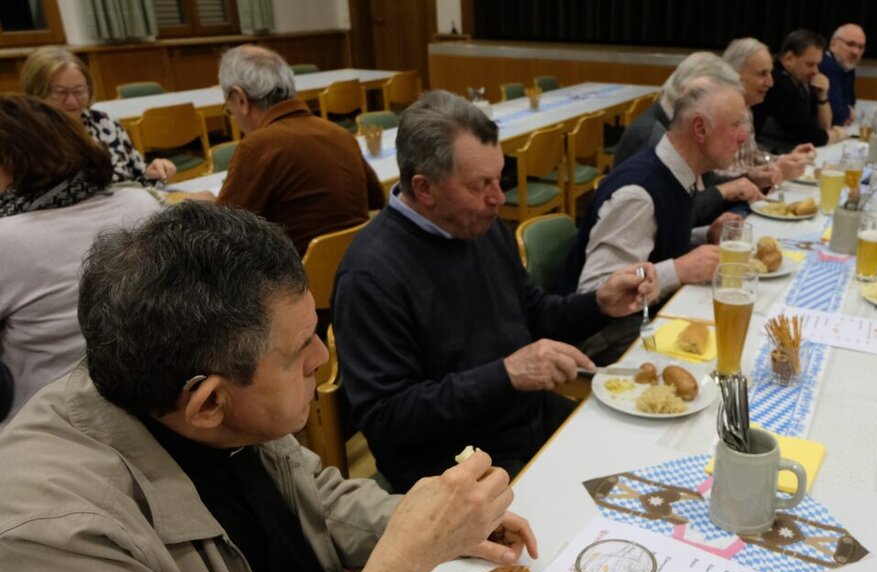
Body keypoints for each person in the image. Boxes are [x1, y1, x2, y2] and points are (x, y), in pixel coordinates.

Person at [0, 201, 537, 572]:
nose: (323, 359)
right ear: (208, 402)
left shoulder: (202, 396)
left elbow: (311, 493)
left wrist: (437, 528)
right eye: (300, 349)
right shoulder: (54, 533)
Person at [332, 90, 654, 493]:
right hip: (455, 467)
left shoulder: (475, 226)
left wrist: (599, 304)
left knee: (639, 459)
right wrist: (505, 375)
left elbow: (533, 312)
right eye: (480, 185)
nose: (499, 198)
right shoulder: (370, 275)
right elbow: (388, 420)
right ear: (424, 188)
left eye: (499, 178)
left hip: (521, 421)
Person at [0, 93, 160, 430]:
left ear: (13, 163)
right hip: (154, 409)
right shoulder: (141, 203)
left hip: (49, 427)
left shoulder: (9, 238)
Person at [561, 75, 749, 306]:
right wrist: (679, 270)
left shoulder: (677, 172)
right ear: (700, 129)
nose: (744, 137)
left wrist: (704, 235)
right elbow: (594, 291)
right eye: (735, 125)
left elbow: (654, 240)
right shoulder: (638, 196)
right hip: (601, 338)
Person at [208, 45, 384, 255]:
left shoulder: (258, 147)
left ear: (241, 99)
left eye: (229, 107)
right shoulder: (340, 134)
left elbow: (222, 234)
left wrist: (207, 207)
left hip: (297, 280)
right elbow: (376, 199)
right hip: (354, 269)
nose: (233, 115)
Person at [613, 52, 764, 225]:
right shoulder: (653, 137)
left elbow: (704, 185)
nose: (743, 136)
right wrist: (723, 191)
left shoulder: (680, 129)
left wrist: (750, 179)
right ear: (691, 91)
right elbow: (669, 215)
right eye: (734, 124)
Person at [19, 46, 176, 185]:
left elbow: (138, 179)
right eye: (60, 92)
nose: (72, 100)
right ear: (35, 93)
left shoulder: (105, 123)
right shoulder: (26, 137)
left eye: (79, 90)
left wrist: (154, 171)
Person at [722, 37, 814, 184]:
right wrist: (775, 169)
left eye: (770, 73)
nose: (770, 83)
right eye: (762, 74)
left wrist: (784, 159)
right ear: (735, 74)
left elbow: (751, 156)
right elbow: (717, 176)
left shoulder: (746, 106)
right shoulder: (720, 111)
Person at [754, 29, 847, 152]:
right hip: (768, 154)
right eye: (810, 64)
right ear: (789, 58)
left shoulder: (801, 81)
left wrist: (822, 97)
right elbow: (812, 137)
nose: (816, 71)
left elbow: (823, 127)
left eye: (817, 64)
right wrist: (838, 135)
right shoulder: (779, 83)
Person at [819, 24, 867, 126]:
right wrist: (848, 112)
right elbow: (837, 116)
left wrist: (848, 110)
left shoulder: (846, 65)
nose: (856, 52)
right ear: (833, 43)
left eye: (861, 47)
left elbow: (851, 101)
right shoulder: (827, 65)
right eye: (850, 44)